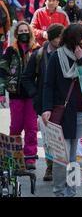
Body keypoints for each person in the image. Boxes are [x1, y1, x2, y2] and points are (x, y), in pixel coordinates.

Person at [42, 23, 82, 197]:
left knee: (75, 159)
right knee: (61, 158)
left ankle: (71, 192)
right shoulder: (56, 56)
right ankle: (59, 192)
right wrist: (46, 109)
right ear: (73, 38)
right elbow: (48, 85)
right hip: (62, 115)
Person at [22, 23, 65, 181]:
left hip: (62, 102)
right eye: (59, 36)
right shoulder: (39, 54)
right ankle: (50, 166)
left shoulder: (66, 52)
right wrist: (35, 95)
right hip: (43, 104)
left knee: (62, 138)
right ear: (53, 37)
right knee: (47, 139)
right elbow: (26, 78)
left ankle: (62, 166)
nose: (62, 39)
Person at [0, 21, 40, 170]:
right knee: (15, 126)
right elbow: (2, 72)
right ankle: (14, 157)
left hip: (31, 94)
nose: (24, 33)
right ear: (16, 34)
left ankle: (30, 158)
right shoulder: (10, 50)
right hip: (15, 94)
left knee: (31, 127)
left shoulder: (37, 50)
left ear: (30, 32)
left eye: (26, 30)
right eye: (21, 31)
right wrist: (1, 93)